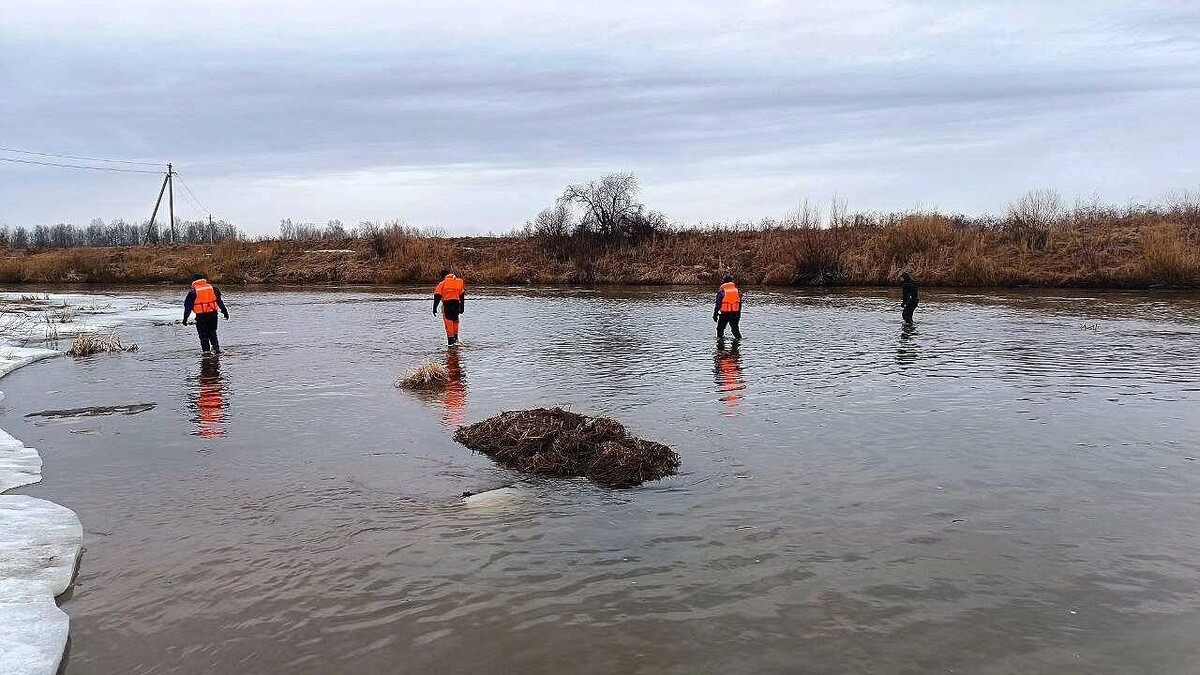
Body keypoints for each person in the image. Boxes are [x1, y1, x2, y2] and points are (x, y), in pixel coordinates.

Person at [183, 273, 229, 354]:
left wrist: (185, 319)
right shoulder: (213, 289)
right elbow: (219, 301)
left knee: (203, 336)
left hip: (201, 316)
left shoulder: (193, 292)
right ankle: (216, 349)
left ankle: (206, 353)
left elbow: (188, 307)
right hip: (213, 315)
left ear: (194, 281)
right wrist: (225, 312)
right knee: (213, 332)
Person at [433, 269, 466, 346]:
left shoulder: (442, 283)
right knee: (455, 321)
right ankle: (456, 339)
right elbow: (462, 295)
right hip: (456, 305)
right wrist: (462, 308)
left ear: (443, 276)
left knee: (448, 323)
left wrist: (434, 308)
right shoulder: (458, 283)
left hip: (447, 305)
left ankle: (450, 343)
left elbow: (437, 296)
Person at [713, 275, 742, 339]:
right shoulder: (737, 292)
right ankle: (738, 345)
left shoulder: (721, 292)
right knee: (735, 330)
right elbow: (739, 304)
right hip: (735, 314)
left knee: (720, 330)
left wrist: (715, 314)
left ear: (724, 282)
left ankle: (720, 346)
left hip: (724, 314)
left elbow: (718, 305)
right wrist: (739, 314)